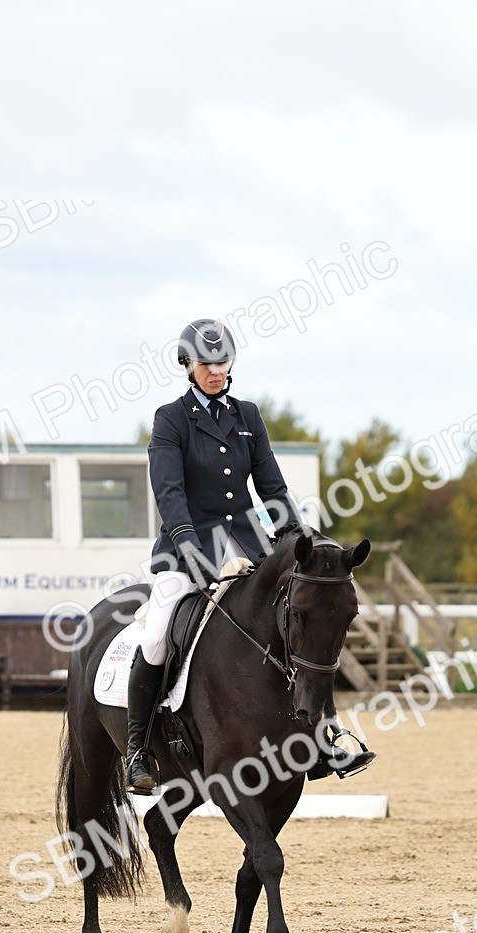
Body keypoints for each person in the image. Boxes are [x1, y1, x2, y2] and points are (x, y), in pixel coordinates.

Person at [125, 318, 304, 794]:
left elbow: (271, 486)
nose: (215, 371)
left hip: (250, 545)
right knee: (158, 635)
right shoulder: (171, 419)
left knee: (299, 621)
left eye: (222, 362)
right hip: (188, 548)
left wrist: (295, 535)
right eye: (206, 363)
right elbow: (169, 489)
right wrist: (185, 541)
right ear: (188, 365)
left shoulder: (248, 416)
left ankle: (317, 733)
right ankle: (138, 750)